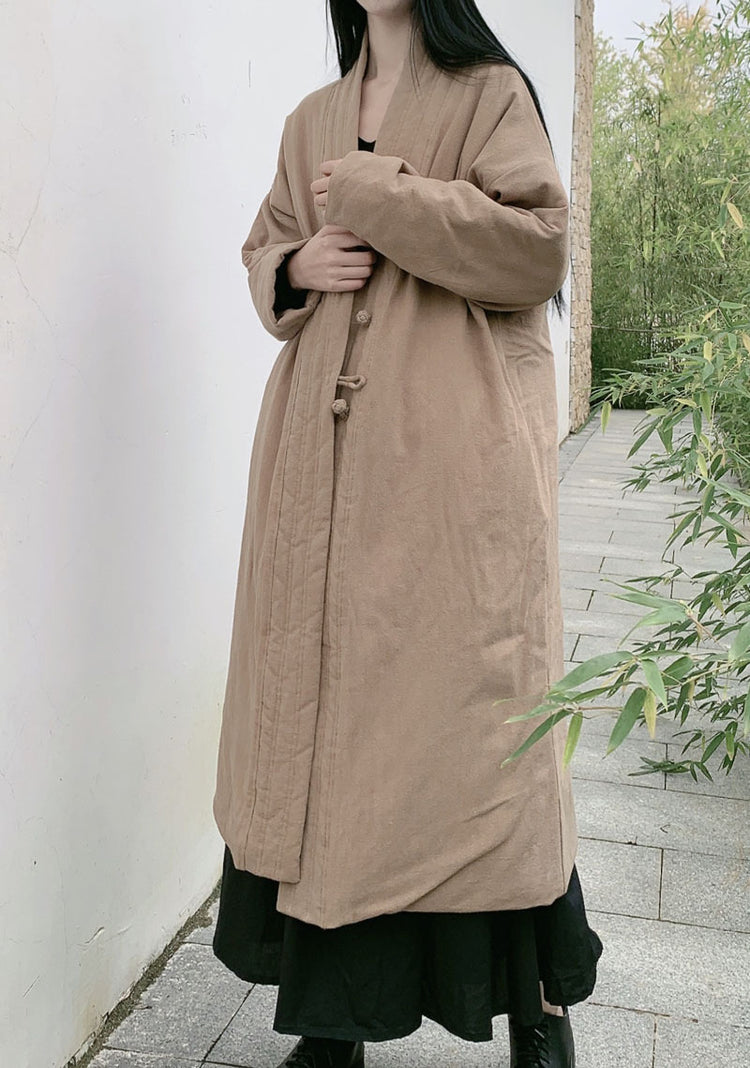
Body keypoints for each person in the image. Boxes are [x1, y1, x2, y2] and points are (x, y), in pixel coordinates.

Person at [212, 2, 604, 1066]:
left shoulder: (491, 95)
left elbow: (537, 250)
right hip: (320, 478)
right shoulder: (312, 117)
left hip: (450, 482)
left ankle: (537, 1006)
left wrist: (384, 198)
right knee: (330, 737)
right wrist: (293, 269)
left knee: (478, 737)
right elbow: (266, 246)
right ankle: (334, 1021)